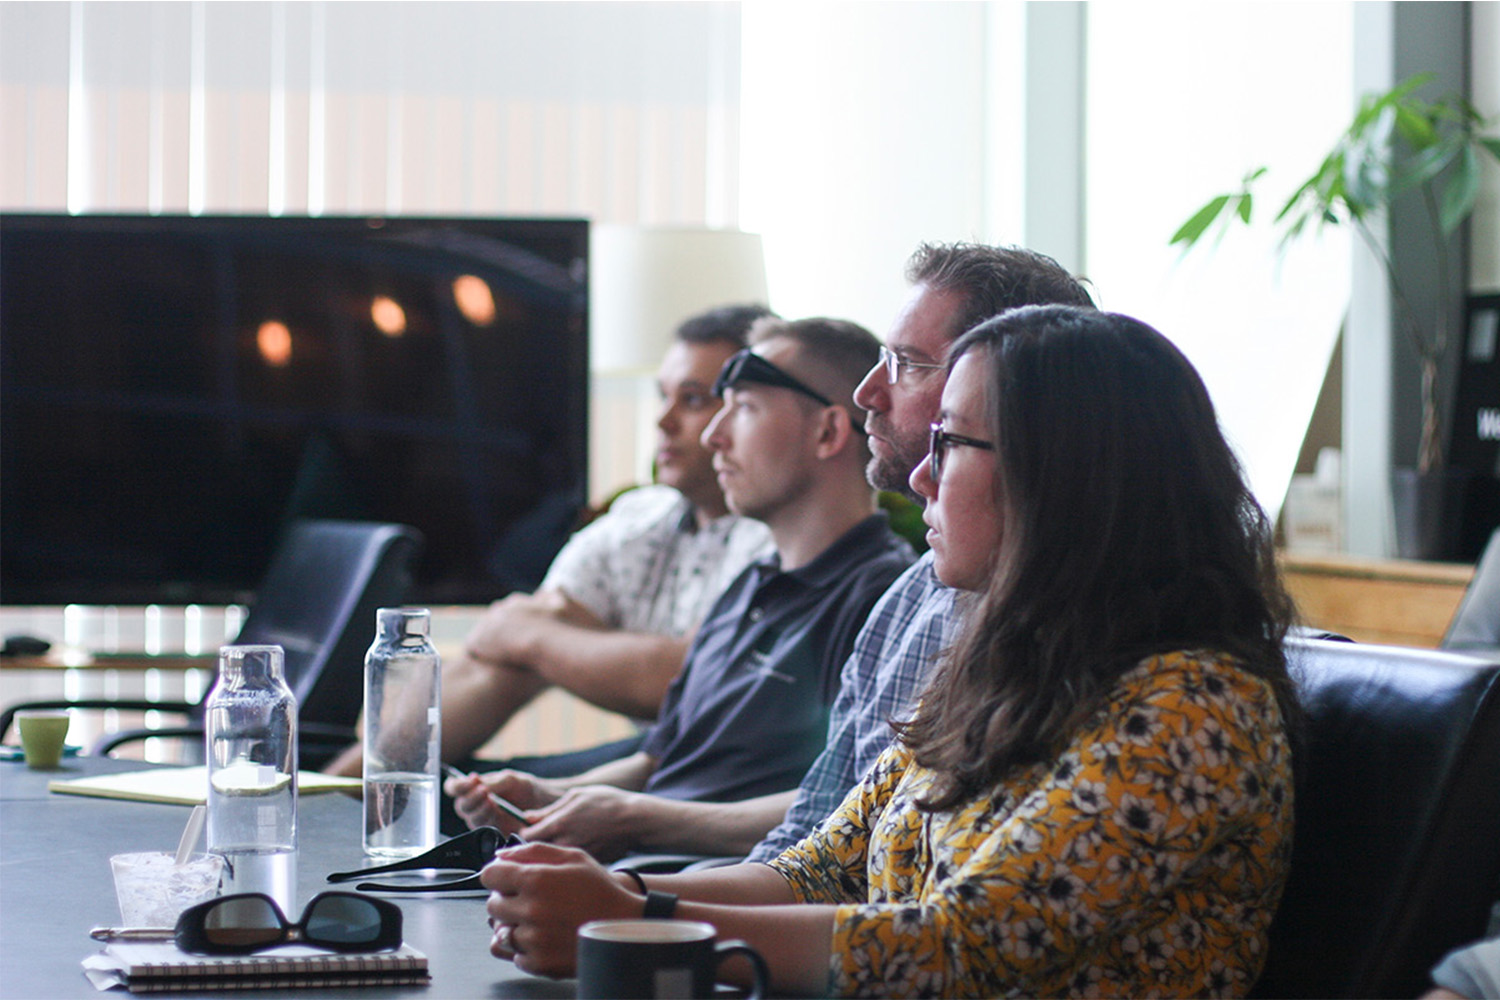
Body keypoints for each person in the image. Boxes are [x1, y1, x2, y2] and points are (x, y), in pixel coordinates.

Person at [479, 305, 1301, 998]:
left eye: (950, 444)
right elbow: (817, 870)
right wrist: (604, 892)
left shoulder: (1188, 706)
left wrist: (642, 920)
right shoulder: (1004, 667)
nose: (918, 481)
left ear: (1059, 477)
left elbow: (960, 945)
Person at [448, 317, 914, 861]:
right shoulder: (749, 587)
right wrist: (546, 799)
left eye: (743, 407)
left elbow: (851, 811)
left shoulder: (881, 602)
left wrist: (636, 819)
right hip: (632, 873)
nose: (714, 436)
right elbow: (660, 761)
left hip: (700, 904)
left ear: (829, 433)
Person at [748, 241, 1096, 862]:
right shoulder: (911, 593)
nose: (864, 394)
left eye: (906, 364)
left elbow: (953, 935)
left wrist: (658, 916)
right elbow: (815, 846)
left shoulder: (1121, 667)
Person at [325, 304, 775, 779]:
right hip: (658, 760)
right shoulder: (640, 519)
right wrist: (334, 791)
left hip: (719, 772)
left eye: (694, 399)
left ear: (749, 411)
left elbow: (687, 680)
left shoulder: (778, 535)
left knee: (498, 794)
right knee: (452, 793)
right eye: (663, 396)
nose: (662, 421)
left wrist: (535, 638)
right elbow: (501, 657)